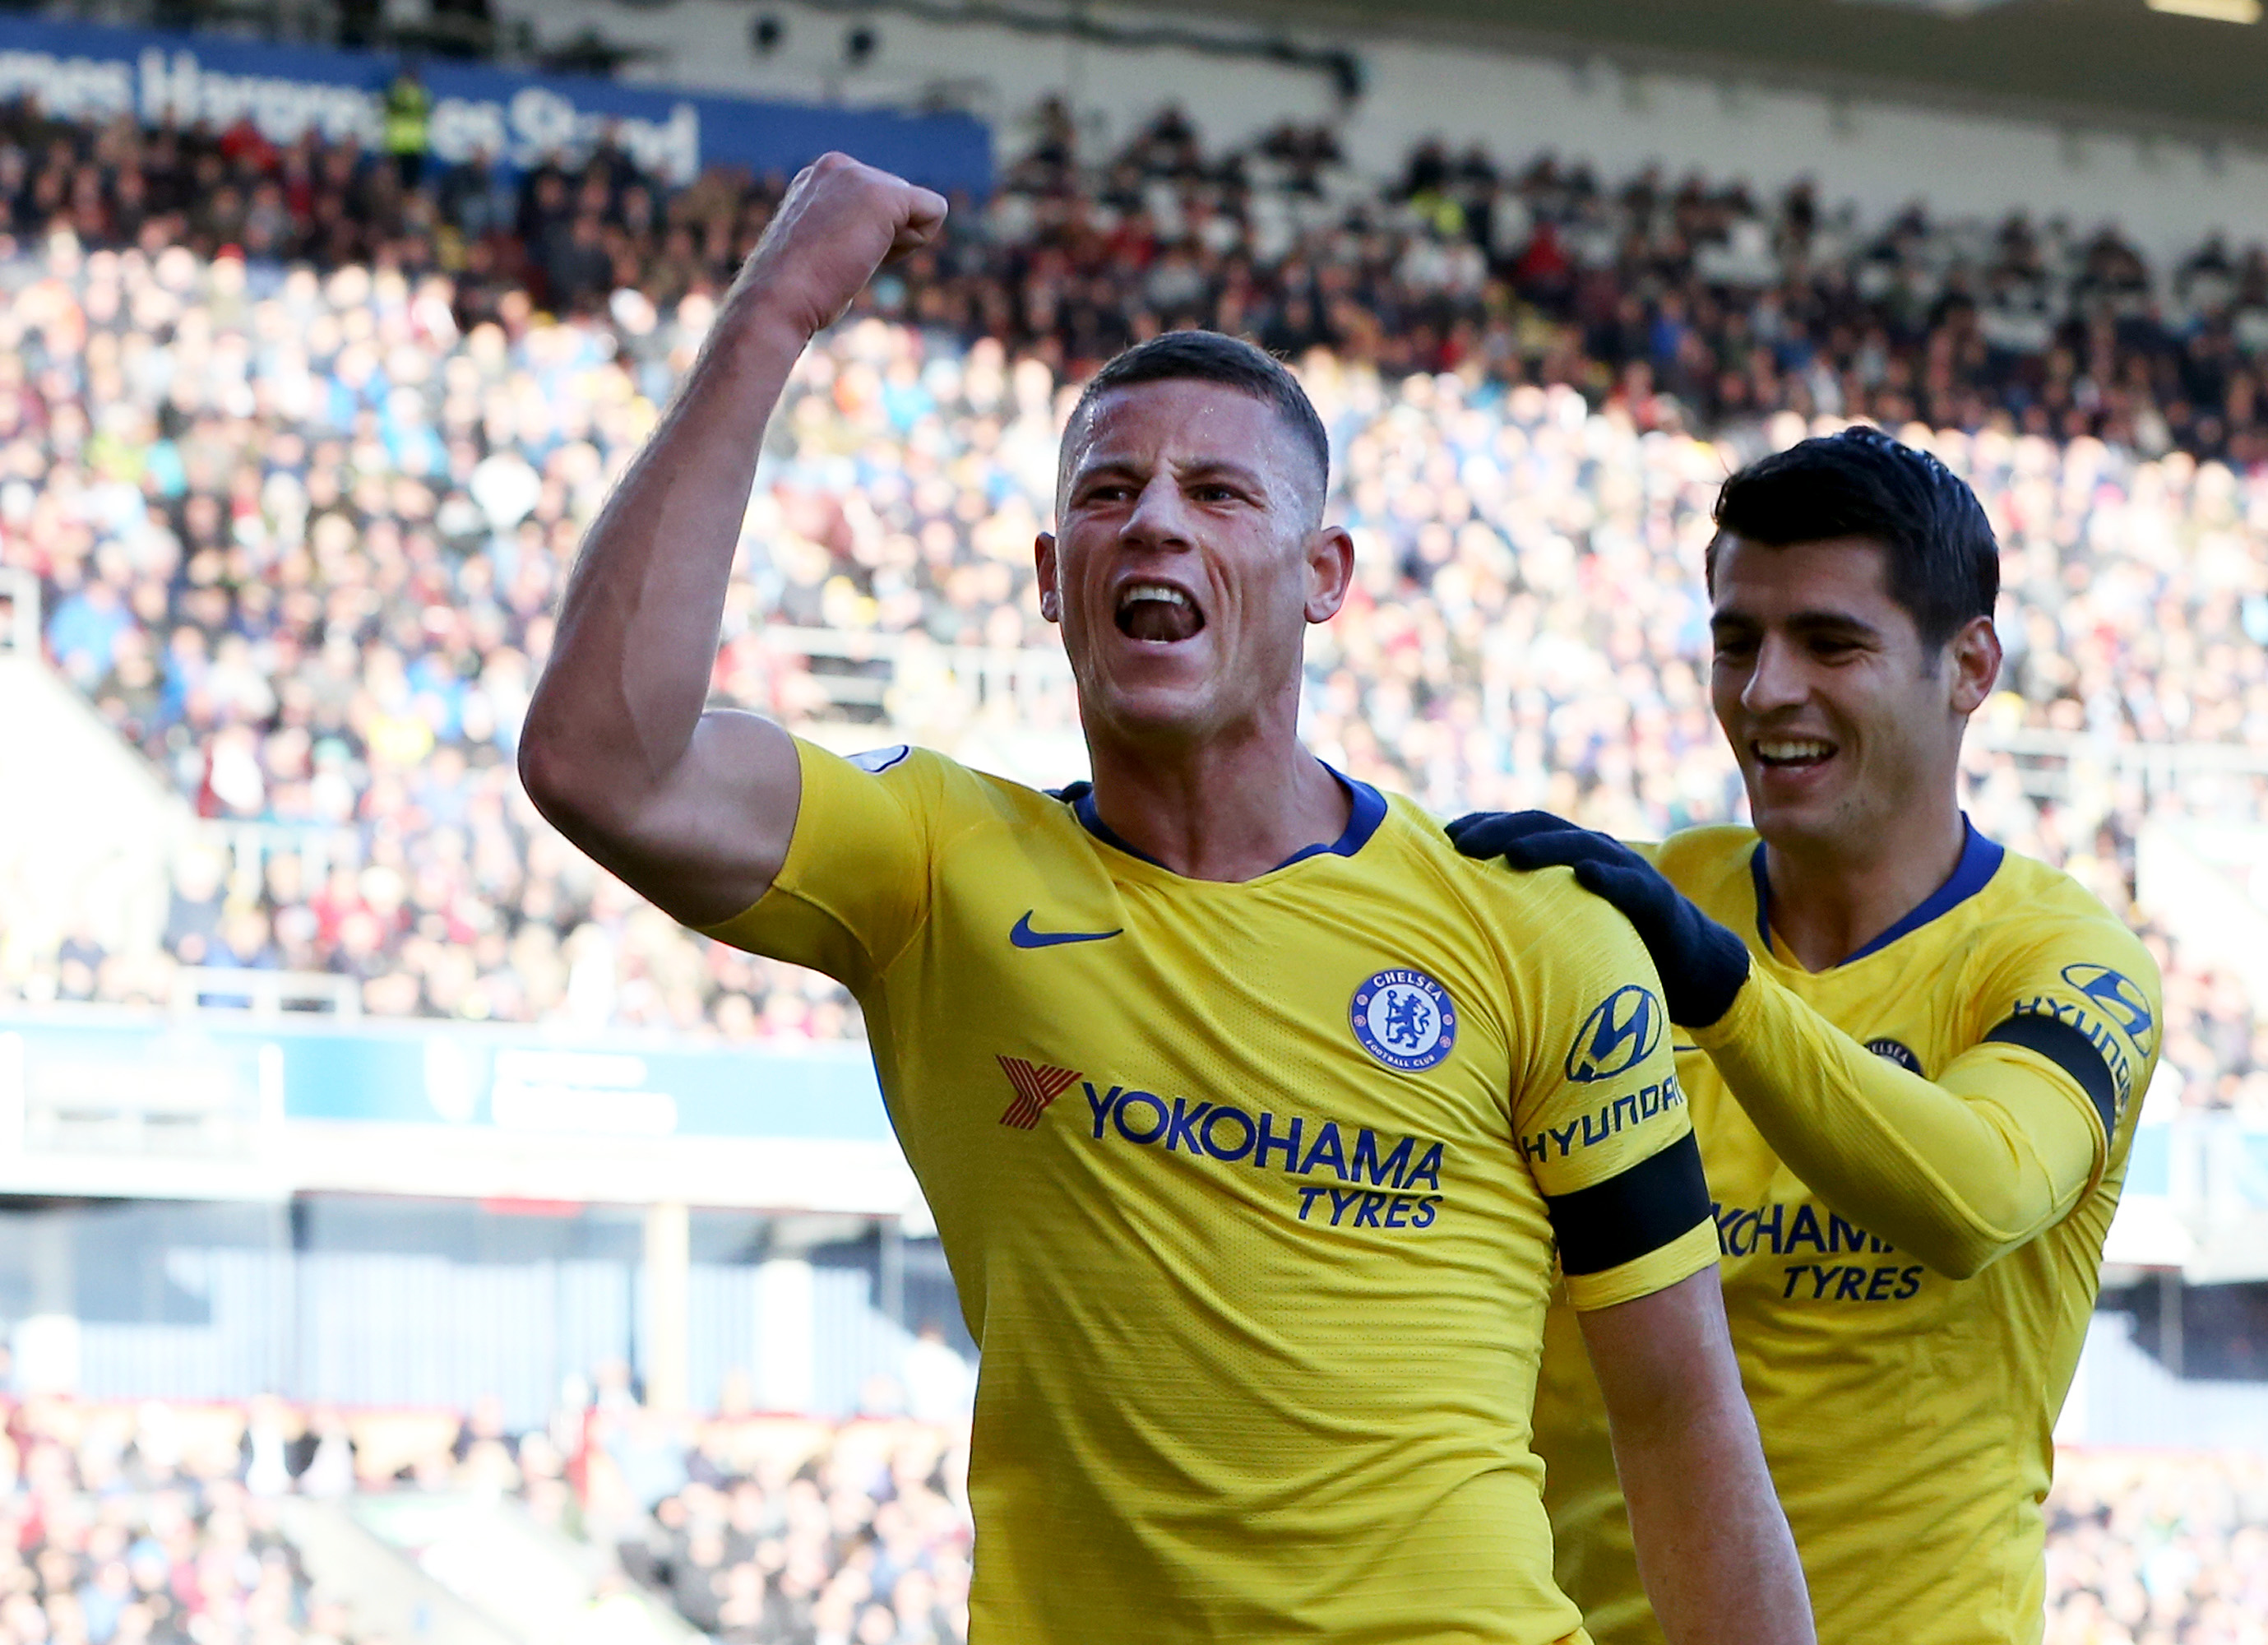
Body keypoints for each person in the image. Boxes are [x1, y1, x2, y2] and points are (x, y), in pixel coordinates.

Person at [518, 152, 1813, 1643]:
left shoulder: (1532, 930)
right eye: (1112, 494)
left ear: (1323, 573)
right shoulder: (936, 865)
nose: (1154, 524)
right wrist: (773, 316)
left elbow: (1679, 1423)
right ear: (1052, 577)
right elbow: (598, 761)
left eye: (1216, 493)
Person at [1453, 427, 2164, 1645]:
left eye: (1831, 642)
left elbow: (1976, 1192)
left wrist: (1720, 990)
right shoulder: (1618, 921)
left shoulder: (2063, 961)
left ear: (1971, 666)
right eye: (1737, 641)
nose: (1767, 688)